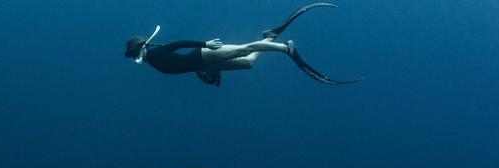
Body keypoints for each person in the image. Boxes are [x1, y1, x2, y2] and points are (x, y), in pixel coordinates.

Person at [124, 3, 362, 86]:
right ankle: (268, 36)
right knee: (248, 63)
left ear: (140, 48)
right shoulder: (153, 61)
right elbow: (179, 65)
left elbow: (179, 44)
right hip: (203, 63)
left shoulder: (154, 55)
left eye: (134, 51)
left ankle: (285, 48)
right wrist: (205, 72)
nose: (135, 56)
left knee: (245, 48)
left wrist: (205, 43)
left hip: (205, 53)